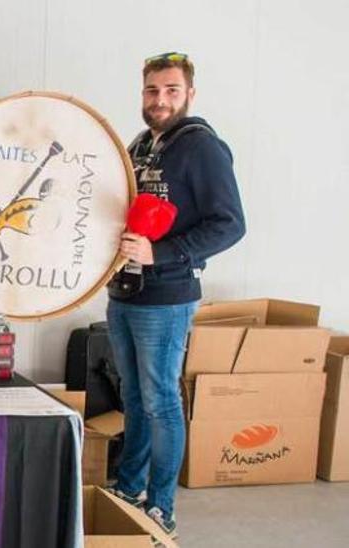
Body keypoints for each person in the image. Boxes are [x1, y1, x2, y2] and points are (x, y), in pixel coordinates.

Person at [106, 52, 245, 537]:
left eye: (170, 90)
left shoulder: (202, 148)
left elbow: (230, 225)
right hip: (125, 293)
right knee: (135, 395)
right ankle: (129, 486)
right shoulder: (142, 145)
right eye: (151, 90)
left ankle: (161, 505)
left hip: (166, 296)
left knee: (161, 399)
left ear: (189, 94)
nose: (159, 99)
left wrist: (160, 253)